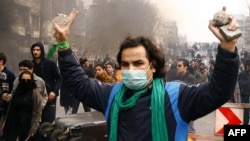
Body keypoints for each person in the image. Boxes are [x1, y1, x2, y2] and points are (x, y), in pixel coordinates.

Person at [55, 8, 239, 141]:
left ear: (153, 66)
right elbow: (78, 83)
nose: (131, 69)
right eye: (125, 64)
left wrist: (227, 49)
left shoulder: (177, 96)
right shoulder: (111, 95)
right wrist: (63, 44)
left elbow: (219, 91)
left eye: (138, 63)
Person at [3, 70, 43, 141]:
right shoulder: (17, 91)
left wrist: (34, 128)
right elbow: (11, 108)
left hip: (27, 123)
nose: (25, 82)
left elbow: (38, 111)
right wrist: (5, 122)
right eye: (23, 80)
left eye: (28, 80)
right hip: (14, 122)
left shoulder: (35, 92)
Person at [30, 42, 62, 123]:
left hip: (49, 98)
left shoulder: (50, 64)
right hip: (34, 98)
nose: (35, 52)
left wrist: (54, 92)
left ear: (42, 51)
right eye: (34, 50)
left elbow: (59, 79)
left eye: (38, 50)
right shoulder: (30, 65)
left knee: (47, 124)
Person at [0, 52, 16, 132]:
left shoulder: (10, 75)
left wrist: (8, 96)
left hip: (4, 109)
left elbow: (14, 92)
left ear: (1, 61)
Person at [238, 59, 250, 125]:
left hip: (248, 96)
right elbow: (241, 85)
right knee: (244, 113)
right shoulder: (242, 74)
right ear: (247, 66)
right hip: (243, 96)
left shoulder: (248, 74)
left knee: (247, 113)